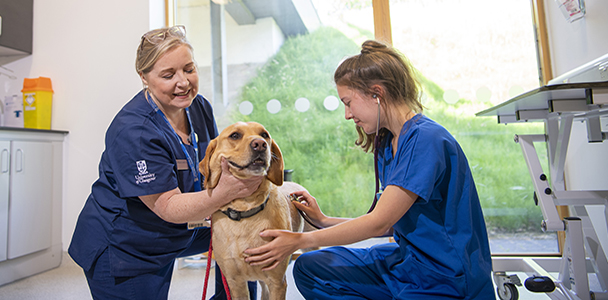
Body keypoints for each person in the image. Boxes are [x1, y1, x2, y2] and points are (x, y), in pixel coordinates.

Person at [244, 40, 496, 299]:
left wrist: (300, 241)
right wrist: (322, 221)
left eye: (349, 102)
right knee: (311, 268)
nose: (347, 114)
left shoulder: (426, 140)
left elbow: (380, 223)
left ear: (376, 94)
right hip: (409, 262)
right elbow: (391, 224)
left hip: (445, 276)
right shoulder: (388, 141)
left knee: (311, 257)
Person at [68, 25, 262, 300]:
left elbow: (212, 165)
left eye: (189, 69)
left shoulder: (198, 106)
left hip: (177, 230)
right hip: (127, 245)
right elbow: (168, 206)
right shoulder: (134, 131)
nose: (183, 82)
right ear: (144, 77)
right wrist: (224, 194)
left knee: (247, 233)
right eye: (168, 75)